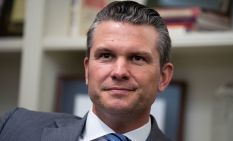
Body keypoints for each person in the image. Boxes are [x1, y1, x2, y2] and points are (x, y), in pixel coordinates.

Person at [0, 1, 173, 141]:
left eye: (137, 58)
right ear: (87, 69)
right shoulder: (13, 127)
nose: (119, 72)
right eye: (106, 55)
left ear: (163, 77)